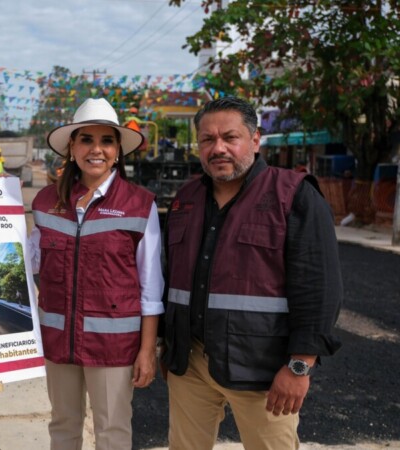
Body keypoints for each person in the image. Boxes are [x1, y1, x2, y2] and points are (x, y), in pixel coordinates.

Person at [160, 97, 343, 450]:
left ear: (256, 139)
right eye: (207, 140)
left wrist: (299, 367)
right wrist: (170, 347)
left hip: (262, 370)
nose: (219, 149)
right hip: (191, 364)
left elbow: (320, 290)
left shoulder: (294, 196)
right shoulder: (185, 200)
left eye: (231, 137)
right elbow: (171, 280)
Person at [28, 98, 164, 450]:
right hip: (58, 341)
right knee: (63, 425)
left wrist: (147, 350)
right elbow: (31, 265)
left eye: (106, 141)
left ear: (118, 150)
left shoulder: (139, 204)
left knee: (113, 431)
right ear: (71, 148)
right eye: (86, 139)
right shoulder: (45, 202)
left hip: (114, 346)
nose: (96, 149)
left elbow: (151, 287)